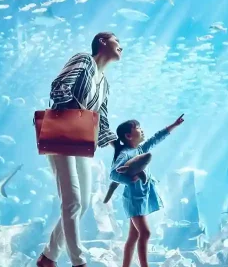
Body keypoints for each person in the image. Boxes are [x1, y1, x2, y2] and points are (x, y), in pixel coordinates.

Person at [37, 32, 123, 267]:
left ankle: (48, 257)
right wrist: (80, 113)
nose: (121, 47)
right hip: (63, 134)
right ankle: (79, 262)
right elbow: (58, 87)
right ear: (103, 42)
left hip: (82, 140)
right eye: (118, 41)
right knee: (72, 201)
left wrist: (118, 146)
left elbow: (101, 121)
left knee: (83, 203)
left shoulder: (105, 83)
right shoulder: (84, 61)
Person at [110, 115, 185, 267]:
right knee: (145, 233)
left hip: (141, 196)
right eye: (138, 128)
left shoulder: (140, 149)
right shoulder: (125, 154)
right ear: (128, 136)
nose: (142, 130)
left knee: (134, 235)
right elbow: (113, 173)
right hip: (134, 199)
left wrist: (174, 125)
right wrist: (129, 180)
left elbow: (156, 138)